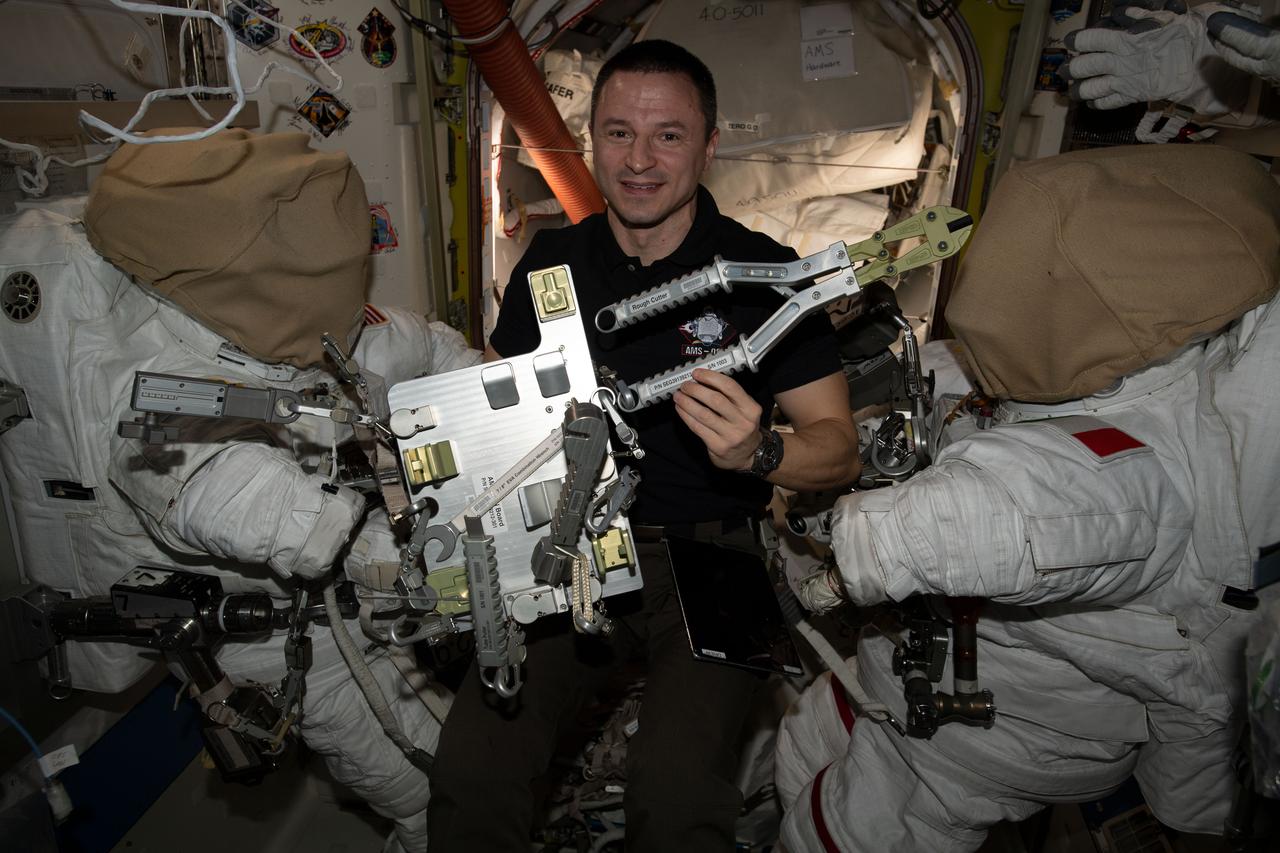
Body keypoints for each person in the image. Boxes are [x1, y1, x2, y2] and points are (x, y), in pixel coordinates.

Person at [776, 143, 1280, 850]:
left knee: (834, 836)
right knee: (802, 749)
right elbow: (964, 383)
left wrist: (854, 546)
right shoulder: (1086, 366)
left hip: (987, 742)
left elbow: (1004, 513)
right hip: (921, 662)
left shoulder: (1129, 475)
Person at [426, 39, 860, 852]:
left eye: (668, 135)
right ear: (590, 139)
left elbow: (839, 448)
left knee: (675, 799)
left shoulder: (765, 274)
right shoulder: (550, 262)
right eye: (619, 132)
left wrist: (760, 454)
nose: (640, 160)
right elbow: (493, 402)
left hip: (714, 554)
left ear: (709, 143)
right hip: (572, 540)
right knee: (473, 771)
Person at [0, 128, 480, 853]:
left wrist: (484, 387)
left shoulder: (304, 333)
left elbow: (414, 346)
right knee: (413, 782)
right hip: (271, 631)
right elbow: (208, 481)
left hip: (352, 595)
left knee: (449, 747)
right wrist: (374, 550)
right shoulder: (158, 391)